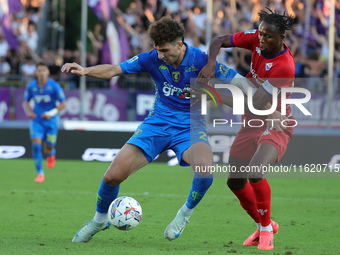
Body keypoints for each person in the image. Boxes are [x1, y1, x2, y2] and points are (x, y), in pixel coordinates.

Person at [61, 17, 240, 243]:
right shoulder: (151, 59)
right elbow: (115, 70)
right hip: (157, 124)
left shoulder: (203, 61)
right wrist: (86, 71)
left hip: (190, 126)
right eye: (157, 50)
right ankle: (98, 221)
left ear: (180, 44)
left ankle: (184, 214)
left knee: (206, 172)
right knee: (112, 176)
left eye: (164, 50)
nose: (160, 55)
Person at [197, 8, 296, 250]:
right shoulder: (257, 38)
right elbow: (217, 41)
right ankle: (265, 224)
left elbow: (255, 102)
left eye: (268, 36)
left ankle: (265, 232)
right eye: (260, 34)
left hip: (275, 123)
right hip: (251, 121)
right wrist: (211, 64)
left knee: (255, 171)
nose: (261, 40)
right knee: (235, 181)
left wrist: (210, 93)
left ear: (282, 37)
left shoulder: (284, 66)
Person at [23, 62, 66, 182]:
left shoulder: (54, 86)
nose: (41, 73)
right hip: (37, 121)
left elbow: (63, 103)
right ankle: (40, 173)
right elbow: (26, 101)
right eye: (39, 70)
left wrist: (50, 113)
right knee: (36, 146)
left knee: (48, 148)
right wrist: (29, 112)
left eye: (43, 70)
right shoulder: (32, 86)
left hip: (51, 121)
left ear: (47, 72)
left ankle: (51, 153)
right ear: (36, 72)